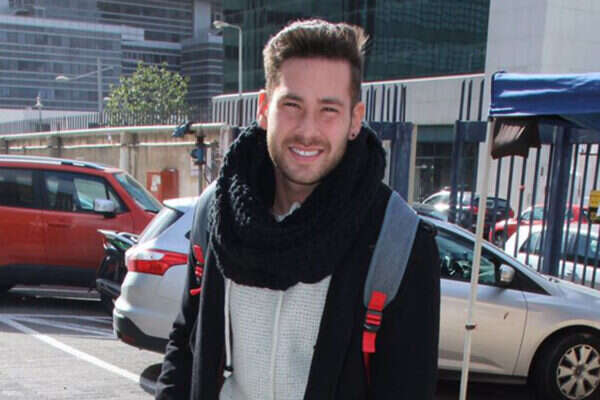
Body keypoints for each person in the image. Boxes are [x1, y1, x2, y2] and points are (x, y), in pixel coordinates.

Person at [155, 18, 440, 400]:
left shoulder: (399, 244)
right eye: (292, 105)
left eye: (328, 110)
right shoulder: (218, 215)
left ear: (355, 119)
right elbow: (186, 344)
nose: (308, 130)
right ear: (264, 108)